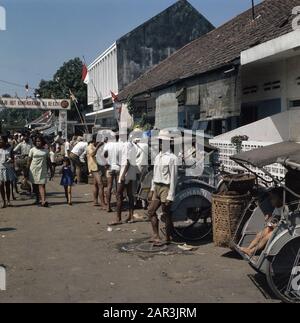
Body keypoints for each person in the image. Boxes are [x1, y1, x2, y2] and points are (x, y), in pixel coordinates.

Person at [148, 132, 178, 246]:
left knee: (166, 214)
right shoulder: (158, 156)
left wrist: (171, 195)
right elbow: (154, 174)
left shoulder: (172, 158)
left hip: (166, 187)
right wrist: (151, 190)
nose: (160, 143)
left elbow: (174, 179)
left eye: (162, 141)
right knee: (151, 211)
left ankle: (167, 237)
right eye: (160, 141)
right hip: (157, 187)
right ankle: (156, 235)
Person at [240, 187, 287, 257]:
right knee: (259, 234)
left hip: (281, 229)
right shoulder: (277, 207)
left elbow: (285, 222)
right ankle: (248, 248)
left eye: (273, 199)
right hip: (274, 227)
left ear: (280, 199)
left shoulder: (285, 208)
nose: (271, 201)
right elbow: (275, 217)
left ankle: (252, 251)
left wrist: (274, 225)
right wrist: (269, 218)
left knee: (266, 238)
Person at [110, 139, 138, 226]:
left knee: (118, 194)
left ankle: (118, 218)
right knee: (130, 195)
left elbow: (127, 161)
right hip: (131, 172)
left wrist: (122, 175)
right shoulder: (132, 144)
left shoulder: (126, 145)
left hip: (125, 173)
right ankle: (131, 216)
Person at [27, 135, 52, 207]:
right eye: (37, 141)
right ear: (35, 142)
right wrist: (27, 170)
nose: (38, 142)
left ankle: (43, 201)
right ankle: (38, 199)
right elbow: (29, 161)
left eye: (39, 141)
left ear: (42, 142)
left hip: (43, 170)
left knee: (42, 185)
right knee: (35, 186)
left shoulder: (46, 151)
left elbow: (49, 161)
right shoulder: (32, 150)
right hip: (33, 170)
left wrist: (51, 170)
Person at [103, 134, 123, 212]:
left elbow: (104, 155)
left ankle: (108, 206)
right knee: (118, 188)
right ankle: (119, 206)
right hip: (118, 168)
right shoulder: (120, 145)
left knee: (109, 186)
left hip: (109, 168)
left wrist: (108, 159)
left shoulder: (108, 145)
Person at [86, 135, 106, 208]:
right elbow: (92, 154)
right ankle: (103, 203)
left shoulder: (93, 146)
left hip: (96, 167)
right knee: (101, 185)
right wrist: (98, 147)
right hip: (94, 168)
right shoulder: (90, 147)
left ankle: (95, 201)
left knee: (96, 185)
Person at [0, 135, 16, 208]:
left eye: (1, 140)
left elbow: (13, 159)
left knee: (7, 185)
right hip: (0, 168)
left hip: (8, 169)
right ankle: (3, 202)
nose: (0, 141)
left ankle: (9, 201)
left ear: (5, 141)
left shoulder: (10, 149)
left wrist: (10, 160)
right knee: (1, 185)